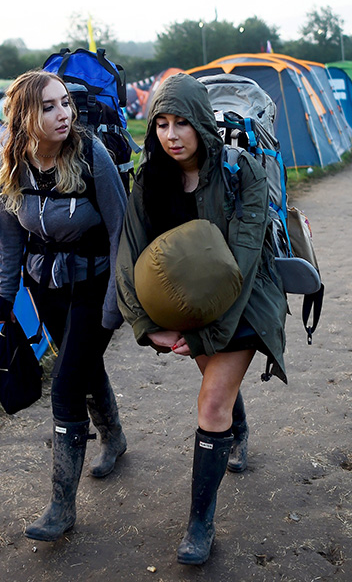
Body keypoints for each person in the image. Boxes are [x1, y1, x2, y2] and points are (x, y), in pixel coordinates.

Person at [115, 73, 287, 565]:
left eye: (182, 123)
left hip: (246, 301)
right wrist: (147, 326)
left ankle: (200, 523)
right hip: (189, 306)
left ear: (202, 124)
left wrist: (205, 333)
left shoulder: (243, 172)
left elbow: (247, 257)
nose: (171, 135)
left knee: (211, 400)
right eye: (161, 124)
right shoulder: (149, 180)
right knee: (218, 387)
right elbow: (129, 253)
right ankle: (238, 425)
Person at [0, 70, 128, 542]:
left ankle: (61, 506)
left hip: (95, 283)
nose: (63, 114)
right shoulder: (9, 164)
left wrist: (115, 305)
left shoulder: (92, 155)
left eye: (65, 102)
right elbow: (8, 236)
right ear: (25, 116)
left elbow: (120, 232)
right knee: (82, 366)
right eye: (49, 106)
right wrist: (6, 293)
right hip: (45, 285)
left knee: (66, 386)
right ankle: (114, 438)